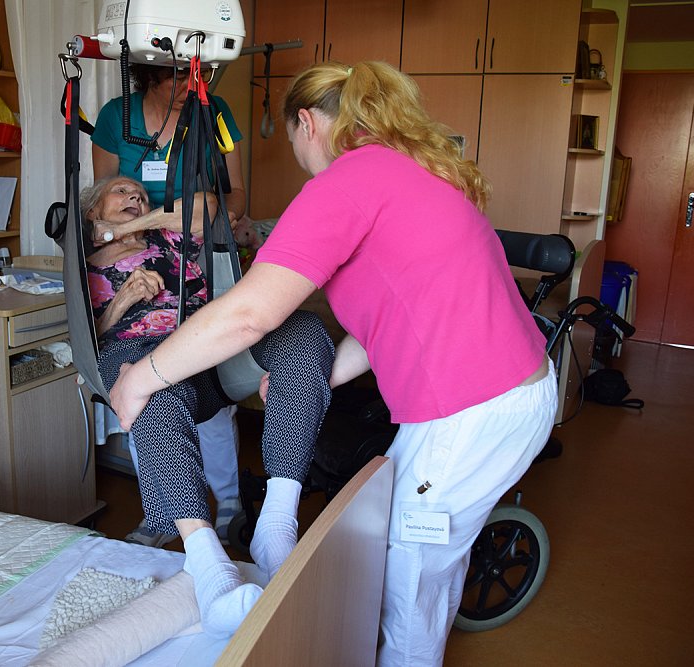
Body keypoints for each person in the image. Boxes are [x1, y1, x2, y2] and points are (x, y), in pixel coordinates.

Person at [108, 61, 558, 664]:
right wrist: (318, 377)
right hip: (499, 393)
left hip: (474, 406)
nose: (297, 154)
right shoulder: (409, 170)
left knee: (405, 571)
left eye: (292, 139)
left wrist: (140, 378)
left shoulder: (347, 182)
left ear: (306, 123)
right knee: (408, 550)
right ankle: (275, 538)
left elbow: (249, 314)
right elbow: (390, 319)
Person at [83, 175, 335, 636]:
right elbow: (88, 338)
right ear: (91, 212)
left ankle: (277, 526)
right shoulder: (84, 269)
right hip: (135, 351)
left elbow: (208, 206)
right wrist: (123, 299)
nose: (135, 194)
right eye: (120, 190)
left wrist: (124, 229)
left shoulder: (169, 238)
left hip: (206, 353)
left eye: (140, 192)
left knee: (302, 330)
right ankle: (208, 567)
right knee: (149, 389)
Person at [92, 62, 247, 547]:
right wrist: (119, 255)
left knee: (209, 397)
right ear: (150, 76)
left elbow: (222, 199)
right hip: (132, 297)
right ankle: (166, 515)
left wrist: (145, 224)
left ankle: (229, 504)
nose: (193, 87)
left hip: (190, 242)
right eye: (179, 77)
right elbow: (101, 198)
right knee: (146, 399)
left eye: (201, 76)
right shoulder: (116, 117)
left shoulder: (213, 111)